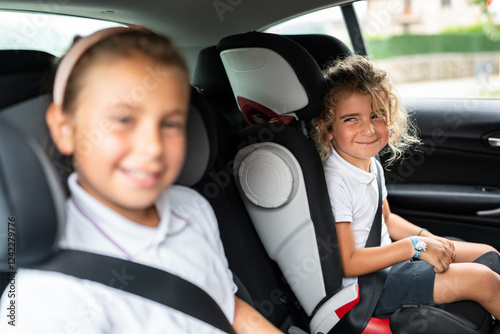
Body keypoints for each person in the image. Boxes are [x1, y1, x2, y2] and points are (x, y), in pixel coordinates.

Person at [0, 26, 282, 333]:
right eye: (123, 119)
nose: (152, 146)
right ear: (64, 128)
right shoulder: (48, 296)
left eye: (170, 123)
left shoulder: (192, 207)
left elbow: (229, 309)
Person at [312, 55, 500, 317]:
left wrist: (428, 239)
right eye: (351, 119)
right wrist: (414, 247)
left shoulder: (369, 163)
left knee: (488, 254)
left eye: (376, 115)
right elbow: (348, 262)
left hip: (393, 267)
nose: (368, 129)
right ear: (327, 128)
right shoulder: (335, 181)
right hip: (366, 290)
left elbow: (387, 219)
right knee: (484, 280)